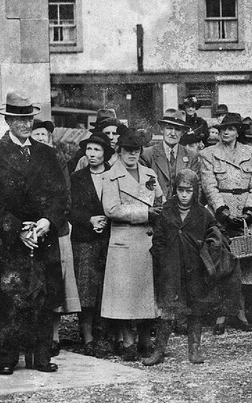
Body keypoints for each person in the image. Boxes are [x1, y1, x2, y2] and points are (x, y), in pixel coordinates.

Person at [0, 91, 67, 375]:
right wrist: (18, 230)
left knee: (43, 296)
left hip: (42, 236)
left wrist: (47, 221)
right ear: (8, 121)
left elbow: (60, 195)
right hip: (9, 239)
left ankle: (40, 356)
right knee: (9, 298)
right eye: (19, 120)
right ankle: (6, 357)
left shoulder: (47, 154)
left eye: (28, 119)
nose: (25, 124)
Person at [143, 170, 240, 366]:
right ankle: (159, 351)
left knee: (196, 308)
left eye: (189, 191)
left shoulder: (203, 213)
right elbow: (158, 239)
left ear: (195, 191)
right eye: (181, 190)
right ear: (175, 190)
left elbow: (218, 233)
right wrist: (163, 260)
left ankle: (194, 350)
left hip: (195, 269)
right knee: (168, 309)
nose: (184, 195)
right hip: (171, 269)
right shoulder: (166, 211)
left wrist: (211, 249)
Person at [101, 128, 163, 361]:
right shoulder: (110, 176)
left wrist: (159, 209)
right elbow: (112, 209)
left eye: (136, 150)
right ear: (119, 151)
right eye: (128, 150)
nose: (132, 154)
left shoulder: (149, 174)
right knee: (124, 295)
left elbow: (160, 199)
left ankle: (145, 340)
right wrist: (145, 213)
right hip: (124, 240)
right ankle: (128, 341)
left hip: (147, 240)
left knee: (146, 294)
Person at [200, 112, 252, 334]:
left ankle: (240, 313)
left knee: (244, 264)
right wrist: (222, 212)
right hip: (220, 214)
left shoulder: (250, 153)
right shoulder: (208, 154)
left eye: (231, 128)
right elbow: (209, 186)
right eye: (223, 128)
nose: (226, 132)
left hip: (244, 215)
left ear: (238, 132)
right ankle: (221, 315)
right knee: (221, 262)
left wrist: (249, 211)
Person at [31, 119, 81, 357]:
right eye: (37, 134)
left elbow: (65, 195)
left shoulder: (57, 160)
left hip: (55, 227)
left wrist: (52, 220)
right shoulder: (25, 159)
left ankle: (53, 336)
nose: (41, 138)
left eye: (44, 135)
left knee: (55, 283)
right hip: (31, 228)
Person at [69, 132, 114, 356]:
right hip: (84, 240)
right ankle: (87, 338)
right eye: (89, 149)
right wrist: (89, 219)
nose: (92, 154)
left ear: (105, 153)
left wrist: (106, 220)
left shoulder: (114, 175)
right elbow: (68, 208)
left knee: (107, 288)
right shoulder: (77, 178)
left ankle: (105, 336)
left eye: (97, 150)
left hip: (110, 238)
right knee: (86, 290)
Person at [140, 109, 199, 200]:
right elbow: (144, 187)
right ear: (162, 129)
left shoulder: (191, 156)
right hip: (157, 206)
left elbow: (196, 187)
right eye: (169, 128)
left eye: (177, 129)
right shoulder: (147, 154)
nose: (173, 134)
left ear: (182, 132)